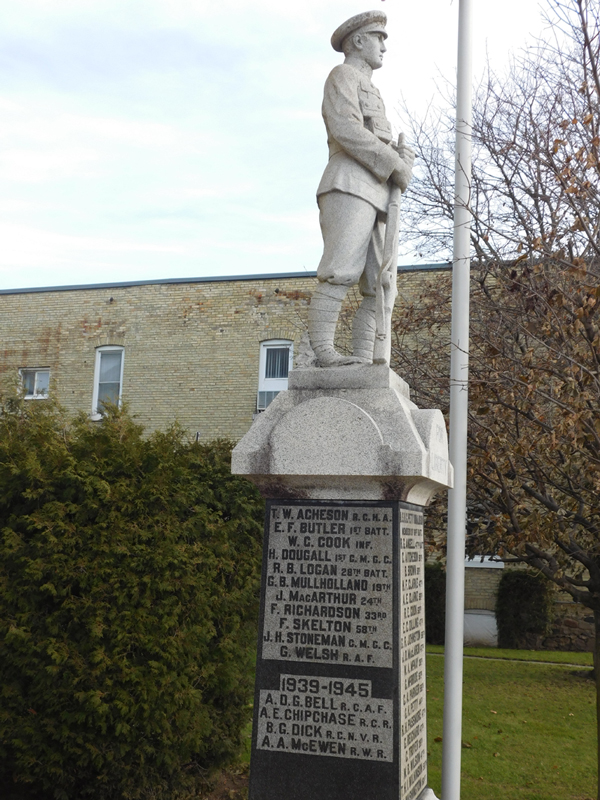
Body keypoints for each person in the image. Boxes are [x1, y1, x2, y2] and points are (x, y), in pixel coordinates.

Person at [307, 10, 415, 367]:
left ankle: (366, 360)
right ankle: (325, 353)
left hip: (379, 193)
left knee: (381, 285)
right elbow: (347, 129)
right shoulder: (342, 76)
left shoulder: (372, 87)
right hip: (349, 183)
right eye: (377, 36)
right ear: (357, 41)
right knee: (340, 271)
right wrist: (393, 163)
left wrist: (400, 160)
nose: (384, 44)